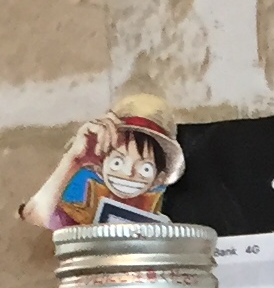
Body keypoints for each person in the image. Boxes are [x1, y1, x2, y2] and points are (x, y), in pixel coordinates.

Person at [25, 96, 184, 229]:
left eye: (145, 168)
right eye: (117, 162)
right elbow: (35, 214)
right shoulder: (84, 216)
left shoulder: (162, 228)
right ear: (101, 163)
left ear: (158, 177)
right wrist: (73, 160)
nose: (129, 173)